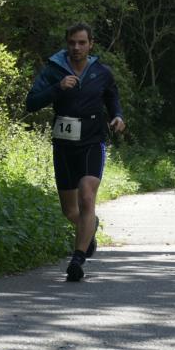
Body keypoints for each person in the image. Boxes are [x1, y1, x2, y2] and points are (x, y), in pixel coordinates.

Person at [25, 22, 125, 281]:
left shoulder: (102, 72)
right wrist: (57, 88)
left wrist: (117, 116)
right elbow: (31, 103)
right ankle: (90, 227)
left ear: (91, 44)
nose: (77, 47)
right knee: (70, 211)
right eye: (72, 43)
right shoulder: (53, 70)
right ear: (66, 44)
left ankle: (77, 260)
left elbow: (112, 98)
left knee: (87, 195)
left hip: (92, 141)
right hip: (64, 144)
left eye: (82, 43)